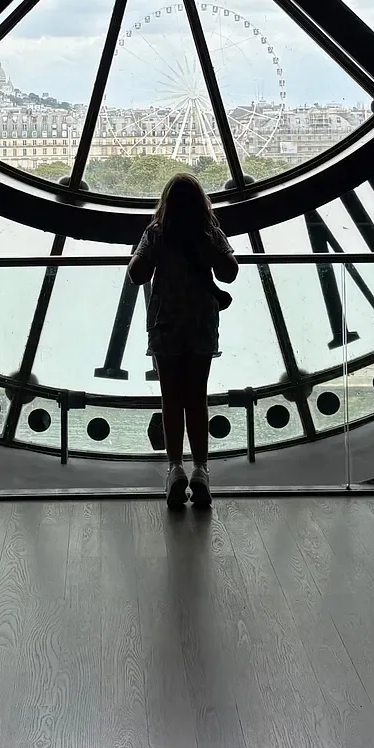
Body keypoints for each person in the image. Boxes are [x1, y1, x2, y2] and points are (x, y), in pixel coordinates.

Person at [127, 173, 239, 510]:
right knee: (196, 398)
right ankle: (201, 470)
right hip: (201, 323)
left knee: (171, 400)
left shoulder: (157, 234)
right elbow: (230, 272)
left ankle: (175, 467)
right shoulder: (208, 234)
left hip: (165, 323)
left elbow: (136, 274)